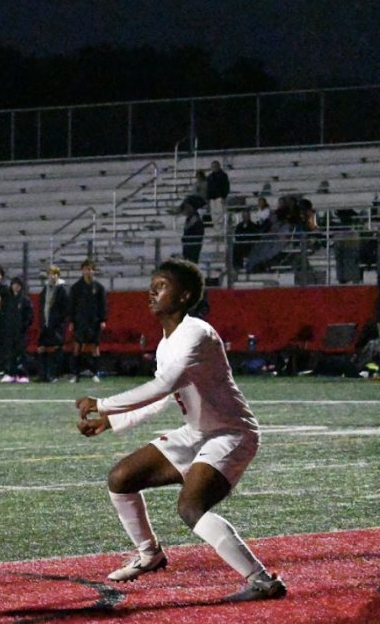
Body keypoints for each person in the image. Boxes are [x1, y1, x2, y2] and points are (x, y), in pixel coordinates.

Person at [75, 258, 286, 603]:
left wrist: (104, 403)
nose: (152, 291)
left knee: (191, 507)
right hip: (197, 432)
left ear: (185, 296)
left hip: (231, 434)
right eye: (152, 285)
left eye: (162, 286)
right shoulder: (165, 344)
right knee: (121, 478)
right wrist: (112, 420)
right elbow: (163, 398)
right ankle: (150, 554)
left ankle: (262, 581)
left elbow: (163, 385)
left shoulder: (197, 334)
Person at [68, 259, 107, 382]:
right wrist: (72, 321)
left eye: (90, 269)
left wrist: (103, 320)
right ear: (82, 270)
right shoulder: (76, 287)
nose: (88, 271)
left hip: (94, 321)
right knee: (77, 346)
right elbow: (72, 306)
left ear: (93, 271)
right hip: (80, 321)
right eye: (86, 269)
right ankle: (76, 375)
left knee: (95, 347)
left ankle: (95, 373)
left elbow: (103, 305)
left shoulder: (99, 287)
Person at [36, 266, 69, 383]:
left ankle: (55, 374)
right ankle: (43, 374)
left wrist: (58, 322)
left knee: (56, 348)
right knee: (42, 348)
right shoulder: (45, 290)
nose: (52, 276)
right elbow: (41, 307)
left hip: (57, 325)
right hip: (46, 323)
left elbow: (65, 309)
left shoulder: (62, 290)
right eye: (50, 274)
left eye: (55, 274)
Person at [3, 277, 33, 382]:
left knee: (21, 353)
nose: (16, 287)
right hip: (10, 331)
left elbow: (30, 316)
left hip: (21, 332)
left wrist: (24, 326)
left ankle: (23, 374)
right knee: (11, 353)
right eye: (14, 284)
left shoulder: (25, 299)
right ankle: (12, 373)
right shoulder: (8, 299)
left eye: (18, 285)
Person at [206, 160, 230, 227]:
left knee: (220, 214)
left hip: (220, 198)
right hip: (212, 199)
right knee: (214, 215)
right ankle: (216, 228)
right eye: (213, 166)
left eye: (215, 166)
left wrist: (223, 196)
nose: (214, 168)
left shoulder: (223, 176)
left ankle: (221, 229)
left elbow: (226, 187)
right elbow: (207, 188)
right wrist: (207, 199)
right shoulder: (210, 177)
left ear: (219, 166)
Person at [181, 199, 205, 265]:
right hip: (188, 247)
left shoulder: (196, 220)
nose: (186, 209)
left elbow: (196, 237)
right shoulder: (189, 218)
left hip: (192, 248)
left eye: (188, 207)